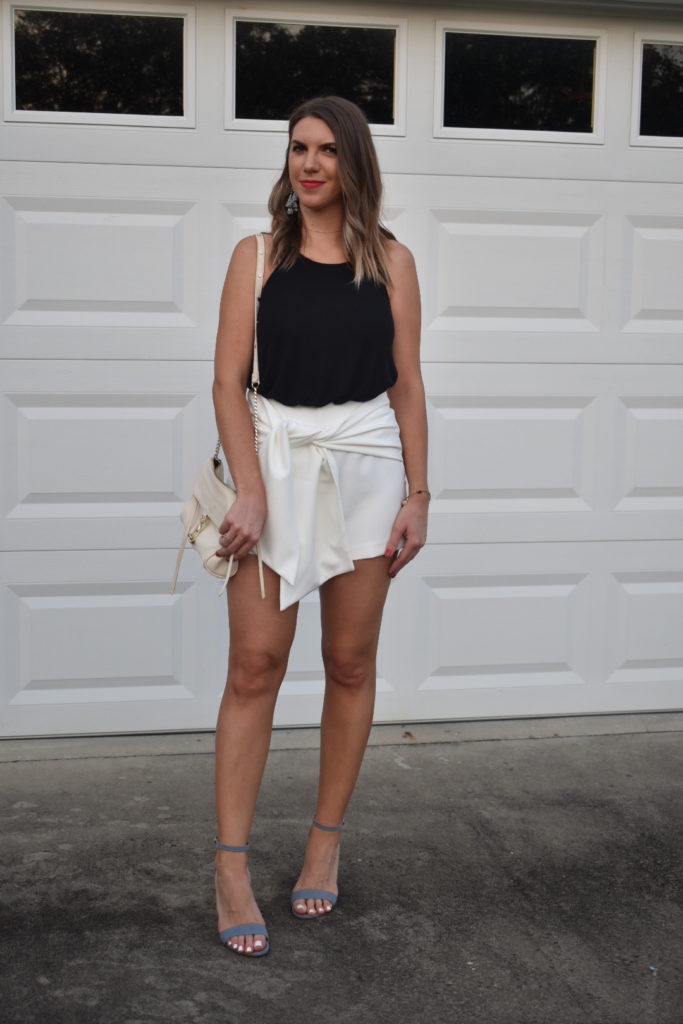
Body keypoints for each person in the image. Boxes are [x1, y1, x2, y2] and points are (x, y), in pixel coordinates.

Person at [211, 95, 429, 957]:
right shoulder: (256, 254)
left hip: (368, 467)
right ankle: (229, 864)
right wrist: (251, 489)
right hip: (276, 456)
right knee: (255, 666)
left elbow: (406, 382)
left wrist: (419, 493)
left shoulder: (392, 260)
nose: (309, 164)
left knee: (349, 663)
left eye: (327, 151)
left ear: (354, 164)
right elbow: (229, 382)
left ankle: (323, 842)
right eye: (298, 148)